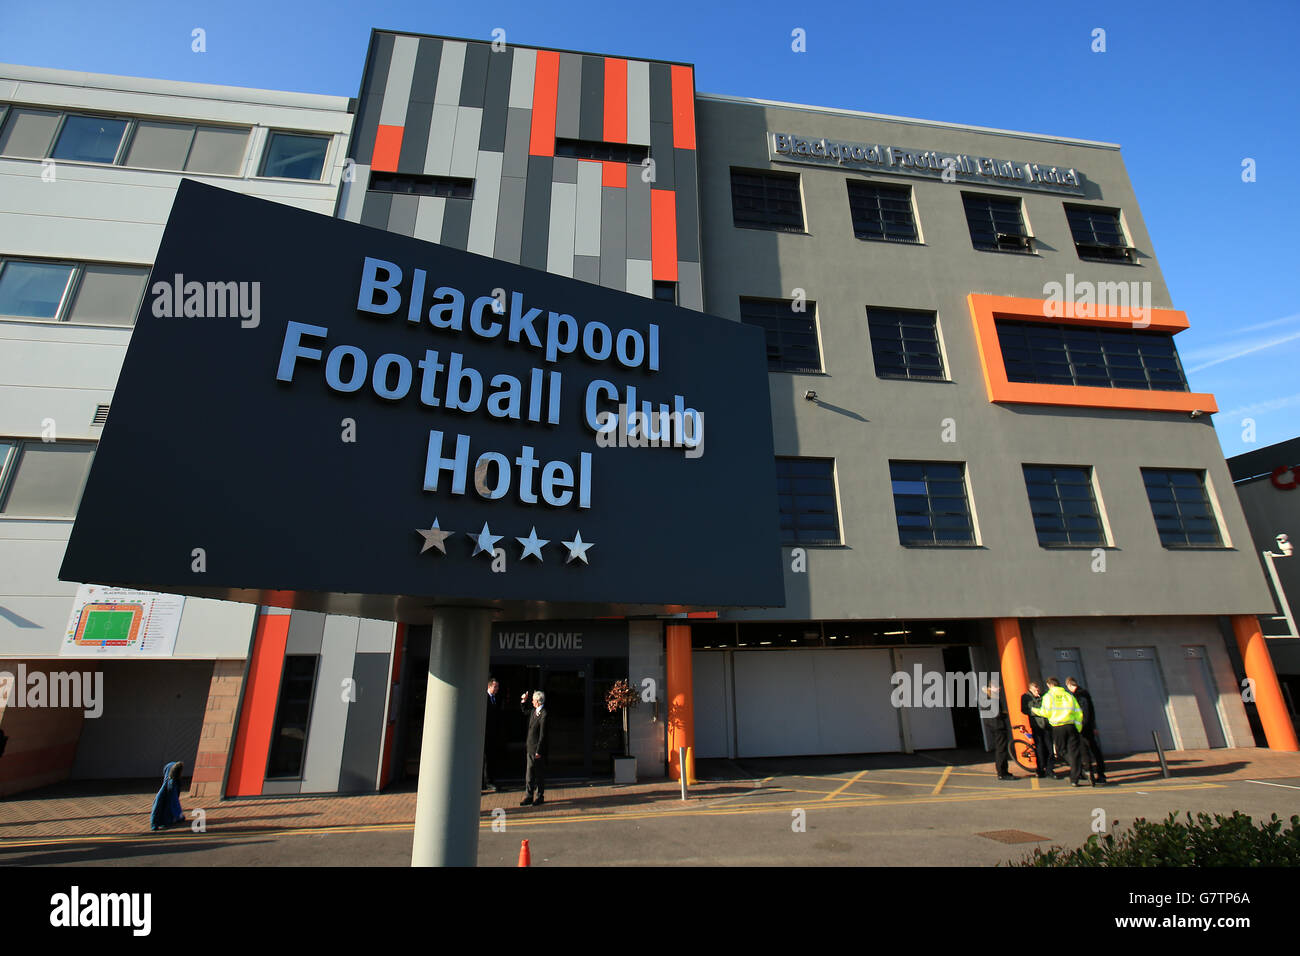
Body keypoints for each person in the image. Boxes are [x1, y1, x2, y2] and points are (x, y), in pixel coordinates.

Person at [1032, 678, 1086, 786]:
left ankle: (1075, 766)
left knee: (1061, 750)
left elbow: (1045, 712)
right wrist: (1078, 727)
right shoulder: (1068, 695)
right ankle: (1075, 778)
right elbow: (1078, 713)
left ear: (1049, 685)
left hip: (1058, 727)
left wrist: (1034, 710)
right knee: (1074, 751)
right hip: (1071, 725)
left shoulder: (1048, 696)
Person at [1066, 677, 1107, 785]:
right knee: (1093, 749)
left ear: (1069, 685)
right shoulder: (1085, 693)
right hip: (1088, 726)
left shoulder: (1079, 695)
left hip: (1083, 727)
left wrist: (1081, 726)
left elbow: (1084, 713)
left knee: (1086, 751)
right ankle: (1099, 773)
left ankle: (1092, 774)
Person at [519, 690, 548, 807]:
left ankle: (540, 796)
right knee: (529, 773)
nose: (532, 702)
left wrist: (539, 751)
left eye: (533, 700)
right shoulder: (533, 711)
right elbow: (524, 711)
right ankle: (529, 796)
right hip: (530, 747)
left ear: (537, 701)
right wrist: (523, 701)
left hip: (537, 749)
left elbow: (542, 735)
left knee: (539, 773)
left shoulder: (544, 714)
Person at [982, 681, 1014, 780]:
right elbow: (996, 713)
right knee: (1001, 750)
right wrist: (1005, 714)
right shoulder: (992, 698)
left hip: (993, 725)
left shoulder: (987, 697)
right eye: (996, 687)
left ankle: (1003, 771)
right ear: (990, 688)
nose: (999, 688)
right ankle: (1002, 772)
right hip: (997, 726)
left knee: (1000, 749)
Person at [1020, 681, 1052, 778]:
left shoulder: (1044, 696)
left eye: (1037, 689)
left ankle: (1050, 769)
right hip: (1036, 725)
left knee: (1049, 748)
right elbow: (1024, 709)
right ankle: (1040, 769)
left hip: (1046, 725)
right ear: (1030, 689)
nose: (1037, 691)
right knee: (1039, 748)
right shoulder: (1025, 697)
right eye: (1035, 689)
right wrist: (1035, 711)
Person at [149, 761, 186, 831]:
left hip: (168, 818)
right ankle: (161, 821)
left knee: (169, 803)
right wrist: (153, 825)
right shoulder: (168, 787)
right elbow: (156, 808)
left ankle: (171, 818)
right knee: (163, 804)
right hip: (164, 820)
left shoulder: (174, 784)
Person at [482, 678, 503, 792]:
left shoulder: (495, 699)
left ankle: (488, 780)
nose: (497, 689)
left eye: (497, 687)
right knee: (485, 758)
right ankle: (485, 781)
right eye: (495, 687)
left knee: (490, 758)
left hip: (493, 734)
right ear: (489, 686)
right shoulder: (484, 698)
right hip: (486, 734)